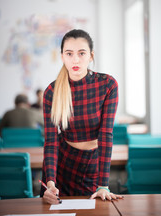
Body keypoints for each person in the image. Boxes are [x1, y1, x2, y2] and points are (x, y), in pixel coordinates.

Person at [40, 29, 123, 204]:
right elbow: (51, 141)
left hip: (93, 165)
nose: (75, 59)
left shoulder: (107, 85)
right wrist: (50, 182)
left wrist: (103, 184)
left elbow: (106, 135)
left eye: (81, 53)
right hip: (61, 167)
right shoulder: (51, 91)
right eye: (69, 53)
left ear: (91, 56)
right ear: (62, 56)